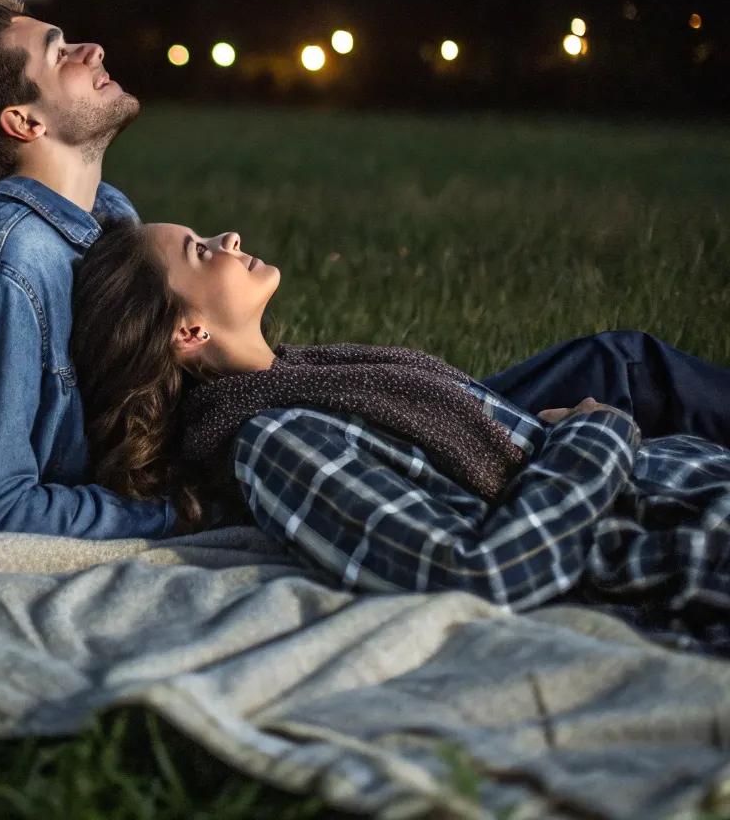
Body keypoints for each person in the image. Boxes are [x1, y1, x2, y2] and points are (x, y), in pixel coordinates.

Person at [0, 0, 724, 547]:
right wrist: (190, 512)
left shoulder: (108, 213)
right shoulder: (5, 269)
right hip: (284, 456)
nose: (90, 47)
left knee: (612, 364)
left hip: (292, 418)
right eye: (58, 52)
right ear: (22, 118)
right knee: (625, 371)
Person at [69, 217, 730, 654]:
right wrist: (598, 435)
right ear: (189, 333)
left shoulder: (308, 376)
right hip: (670, 525)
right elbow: (481, 577)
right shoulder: (273, 441)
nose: (229, 238)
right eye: (199, 250)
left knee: (628, 359)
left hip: (678, 478)